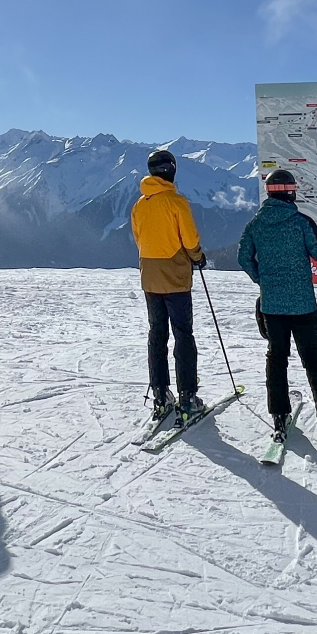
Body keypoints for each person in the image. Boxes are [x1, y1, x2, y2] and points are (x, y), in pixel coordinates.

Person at [236, 169, 317, 449]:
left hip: (272, 306)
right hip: (303, 306)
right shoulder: (300, 223)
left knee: (276, 359)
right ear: (290, 192)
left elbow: (243, 257)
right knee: (313, 360)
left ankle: (279, 417)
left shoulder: (255, 224)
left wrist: (262, 279)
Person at [131, 148, 206, 426]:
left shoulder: (140, 205)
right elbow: (189, 240)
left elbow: (139, 239)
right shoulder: (177, 202)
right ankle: (188, 397)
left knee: (157, 334)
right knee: (183, 335)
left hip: (150, 276)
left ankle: (161, 395)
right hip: (175, 276)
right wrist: (198, 256)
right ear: (172, 170)